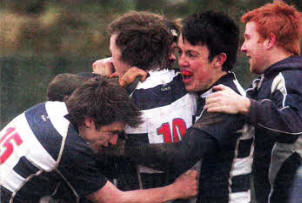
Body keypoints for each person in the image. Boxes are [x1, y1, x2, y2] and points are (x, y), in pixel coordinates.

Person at [111, 11, 254, 203]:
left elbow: (180, 155)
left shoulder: (227, 100)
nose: (181, 61)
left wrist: (116, 147)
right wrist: (124, 71)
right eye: (180, 52)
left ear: (218, 60)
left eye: (191, 55)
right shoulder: (200, 87)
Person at [0, 77, 198, 203]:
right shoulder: (68, 147)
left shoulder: (51, 108)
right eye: (112, 132)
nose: (113, 142)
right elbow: (115, 200)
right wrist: (176, 190)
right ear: (89, 121)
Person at [204, 1, 302, 202]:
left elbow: (294, 125)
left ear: (269, 41)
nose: (243, 48)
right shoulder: (264, 81)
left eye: (248, 38)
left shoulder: (291, 78)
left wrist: (243, 105)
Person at [94, 11, 198, 192]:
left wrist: (99, 81)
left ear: (128, 56)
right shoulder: (194, 85)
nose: (110, 60)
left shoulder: (120, 98)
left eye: (112, 54)